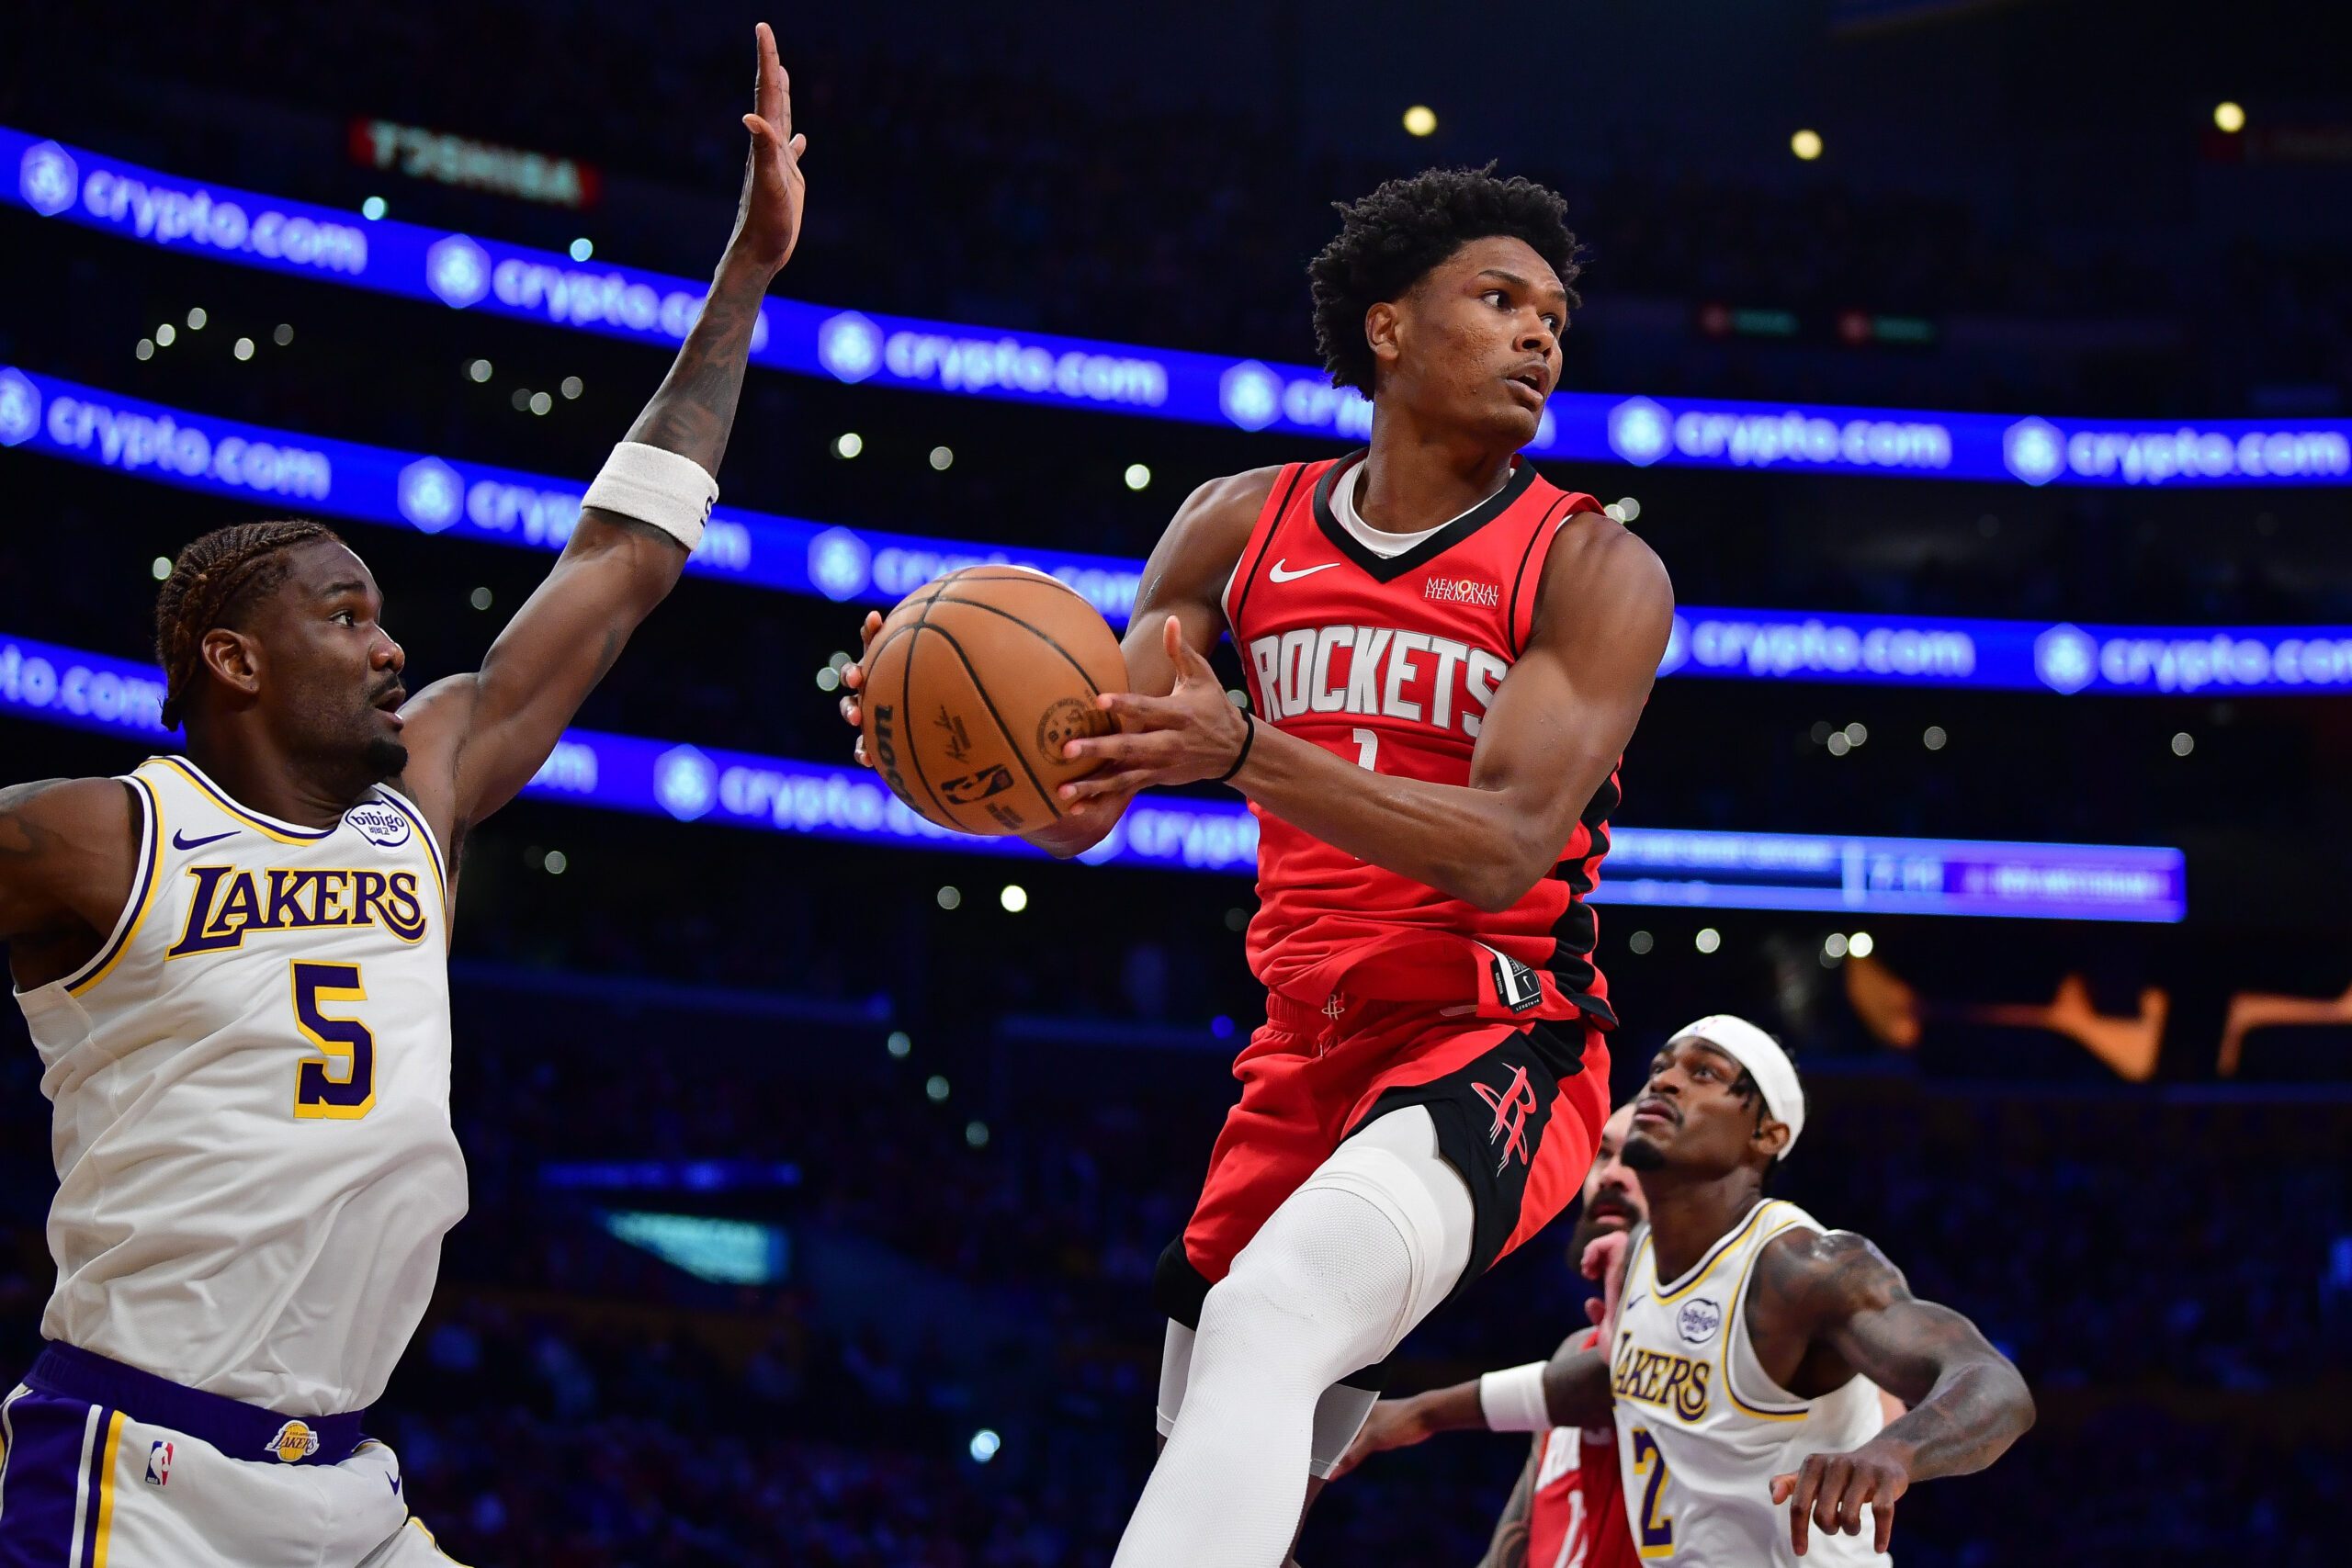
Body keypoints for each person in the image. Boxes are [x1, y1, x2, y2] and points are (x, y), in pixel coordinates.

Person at [0, 26, 807, 1565]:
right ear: (231, 658)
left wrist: (747, 277)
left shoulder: (418, 802)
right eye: (348, 615)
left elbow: (621, 566)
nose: (393, 645)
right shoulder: (96, 833)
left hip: (354, 1485)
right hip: (138, 1466)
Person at [841, 164, 1673, 1566]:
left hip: (1499, 1029)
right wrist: (947, 765)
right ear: (1389, 326)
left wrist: (1246, 756)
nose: (1543, 335)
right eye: (1500, 299)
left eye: (1555, 315)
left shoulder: (1590, 567)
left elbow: (1505, 849)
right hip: (1302, 1044)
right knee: (1232, 1426)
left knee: (1270, 1314)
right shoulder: (1235, 525)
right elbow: (1084, 803)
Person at [1336, 1016, 2035, 1562]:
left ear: (1767, 1131)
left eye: (1704, 1073)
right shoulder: (1641, 1254)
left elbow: (1994, 1384)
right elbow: (1616, 1378)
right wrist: (1419, 1413)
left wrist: (1893, 1454)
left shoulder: (1804, 1265)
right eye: (1660, 1069)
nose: (1664, 1083)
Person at [1335, 1102, 1646, 1568]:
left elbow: (1621, 1376)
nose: (1612, 1175)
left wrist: (1419, 1413)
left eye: (1640, 1158)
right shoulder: (1571, 1354)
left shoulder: (1734, 1325)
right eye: (1603, 1155)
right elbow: (1512, 1547)